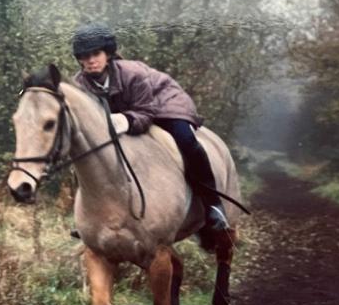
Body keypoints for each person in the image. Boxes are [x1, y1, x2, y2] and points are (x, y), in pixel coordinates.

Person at [70, 23, 229, 232]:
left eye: (96, 53)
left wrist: (124, 120)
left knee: (185, 140)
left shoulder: (133, 72)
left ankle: (213, 205)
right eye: (84, 56)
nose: (91, 60)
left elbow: (146, 113)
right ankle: (92, 217)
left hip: (164, 103)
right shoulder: (79, 85)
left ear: (108, 53)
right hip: (129, 113)